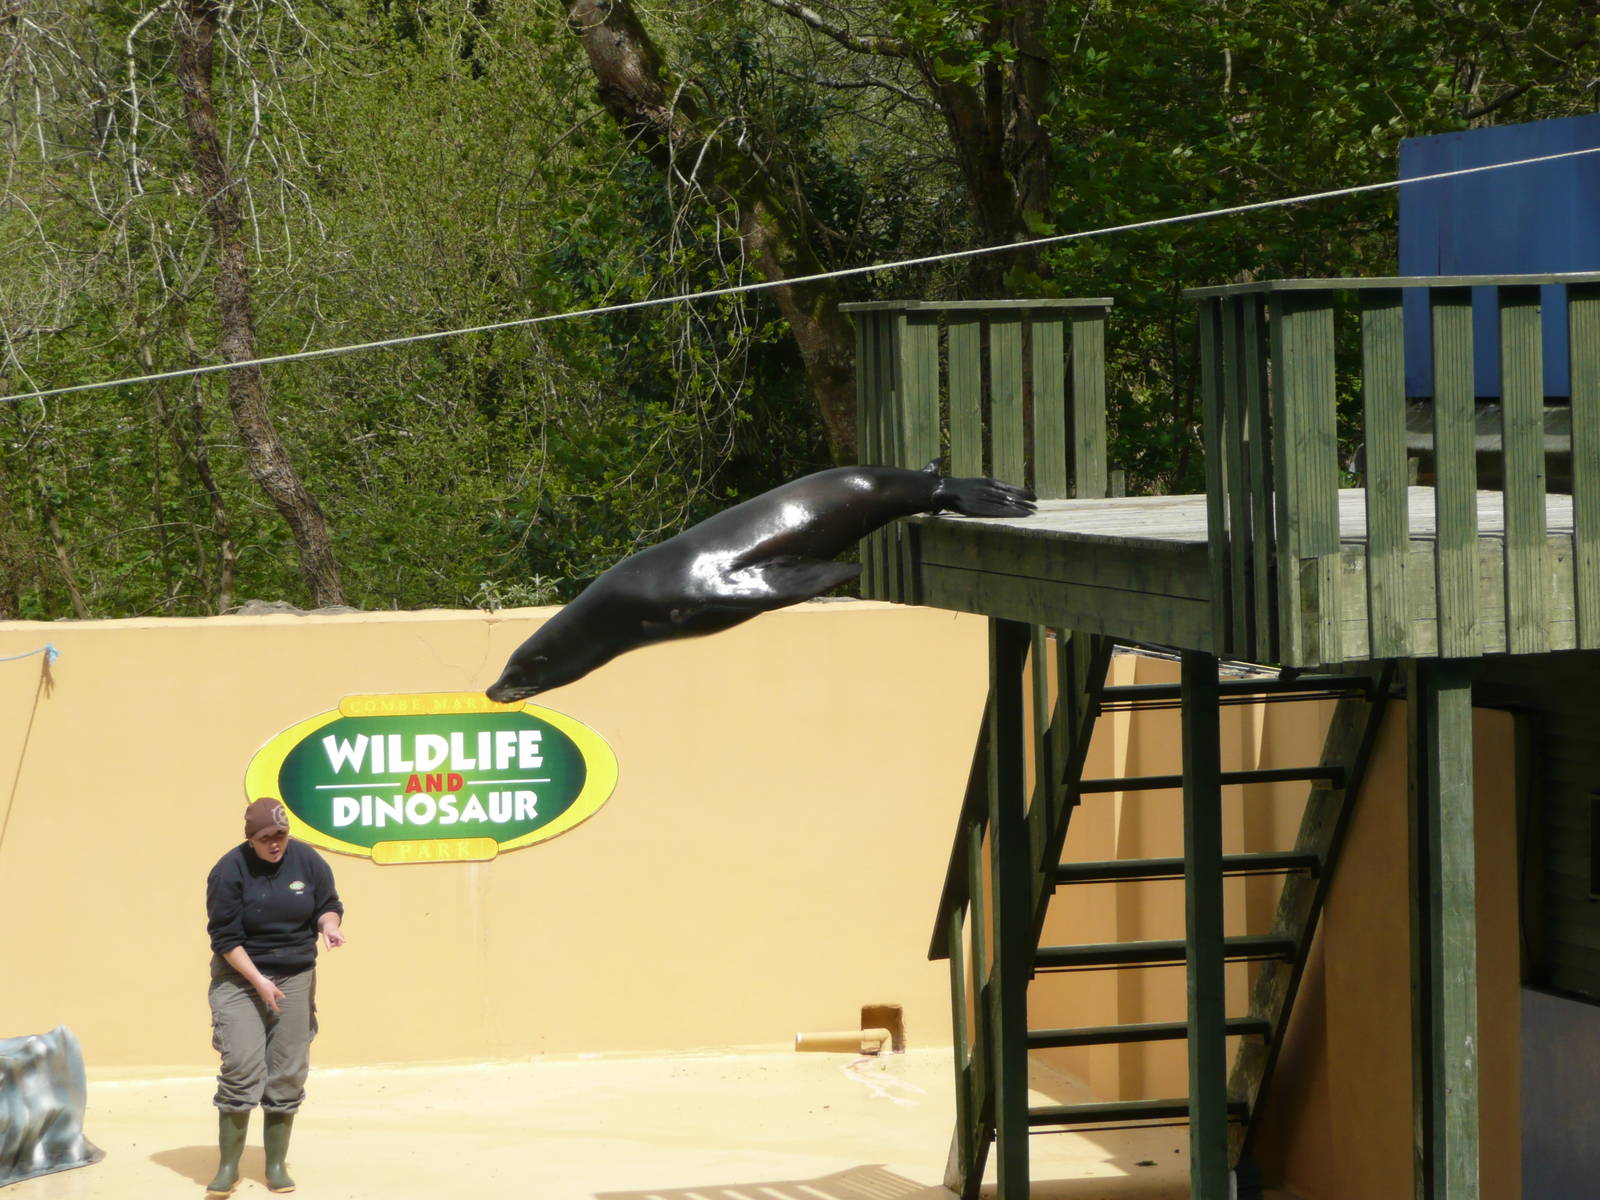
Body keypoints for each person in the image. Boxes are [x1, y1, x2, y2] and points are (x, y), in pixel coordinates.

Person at [203, 797, 346, 1197]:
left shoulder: (307, 860)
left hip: (295, 973)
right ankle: (228, 1166)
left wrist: (329, 926)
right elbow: (224, 938)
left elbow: (328, 904)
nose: (275, 844)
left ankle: (276, 1165)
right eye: (266, 838)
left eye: (280, 835)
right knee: (242, 1065)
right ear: (251, 838)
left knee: (287, 1069)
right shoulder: (229, 871)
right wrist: (259, 981)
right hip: (240, 975)